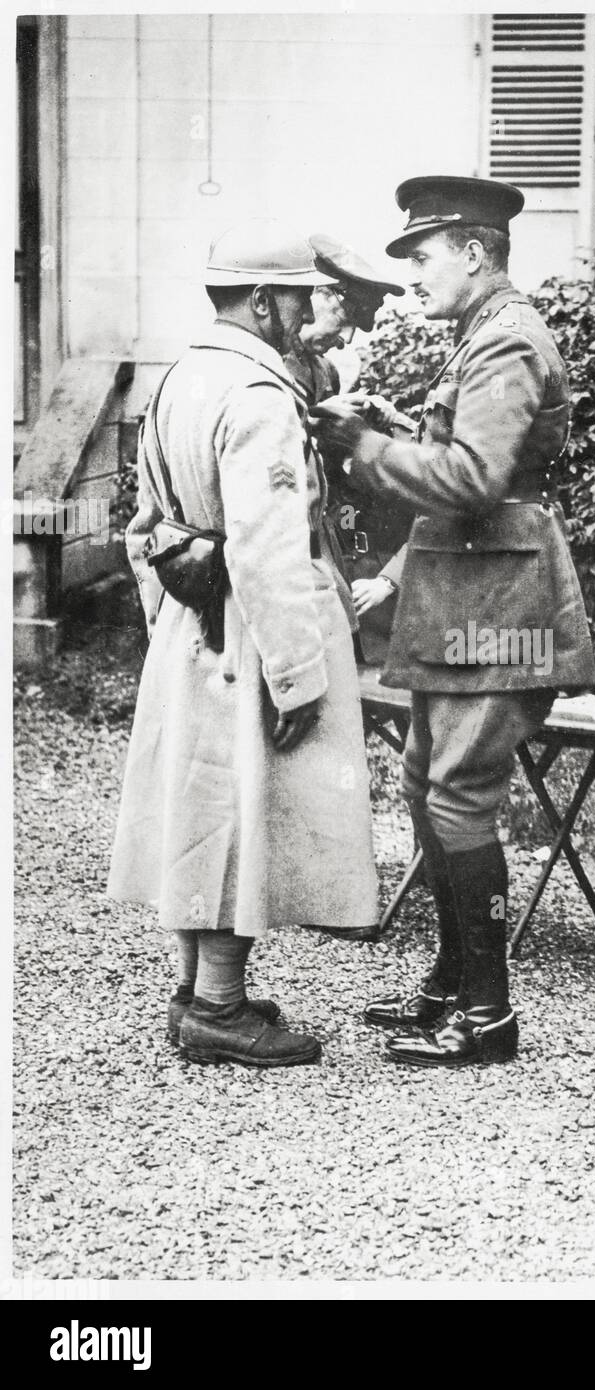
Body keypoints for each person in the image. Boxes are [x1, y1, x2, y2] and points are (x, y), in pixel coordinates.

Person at [313, 175, 595, 1068]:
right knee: (427, 781)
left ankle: (487, 1013)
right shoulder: (483, 333)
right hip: (468, 595)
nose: (416, 275)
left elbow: (476, 481)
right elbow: (473, 457)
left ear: (475, 253)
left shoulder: (507, 340)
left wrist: (363, 447)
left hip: (502, 603)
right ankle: (448, 983)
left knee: (460, 796)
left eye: (424, 256)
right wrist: (401, 428)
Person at [107, 220, 379, 1067]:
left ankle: (197, 991)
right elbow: (269, 549)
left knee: (201, 802)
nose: (307, 312)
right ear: (262, 301)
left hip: (195, 628)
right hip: (253, 634)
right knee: (241, 808)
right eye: (299, 297)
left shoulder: (182, 377)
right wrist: (296, 675)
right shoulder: (258, 397)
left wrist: (168, 619)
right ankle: (220, 1008)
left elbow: (146, 526)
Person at [285, 236, 415, 667]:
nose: (345, 340)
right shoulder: (263, 363)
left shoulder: (321, 370)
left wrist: (364, 426)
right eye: (344, 320)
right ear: (316, 295)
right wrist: (312, 418)